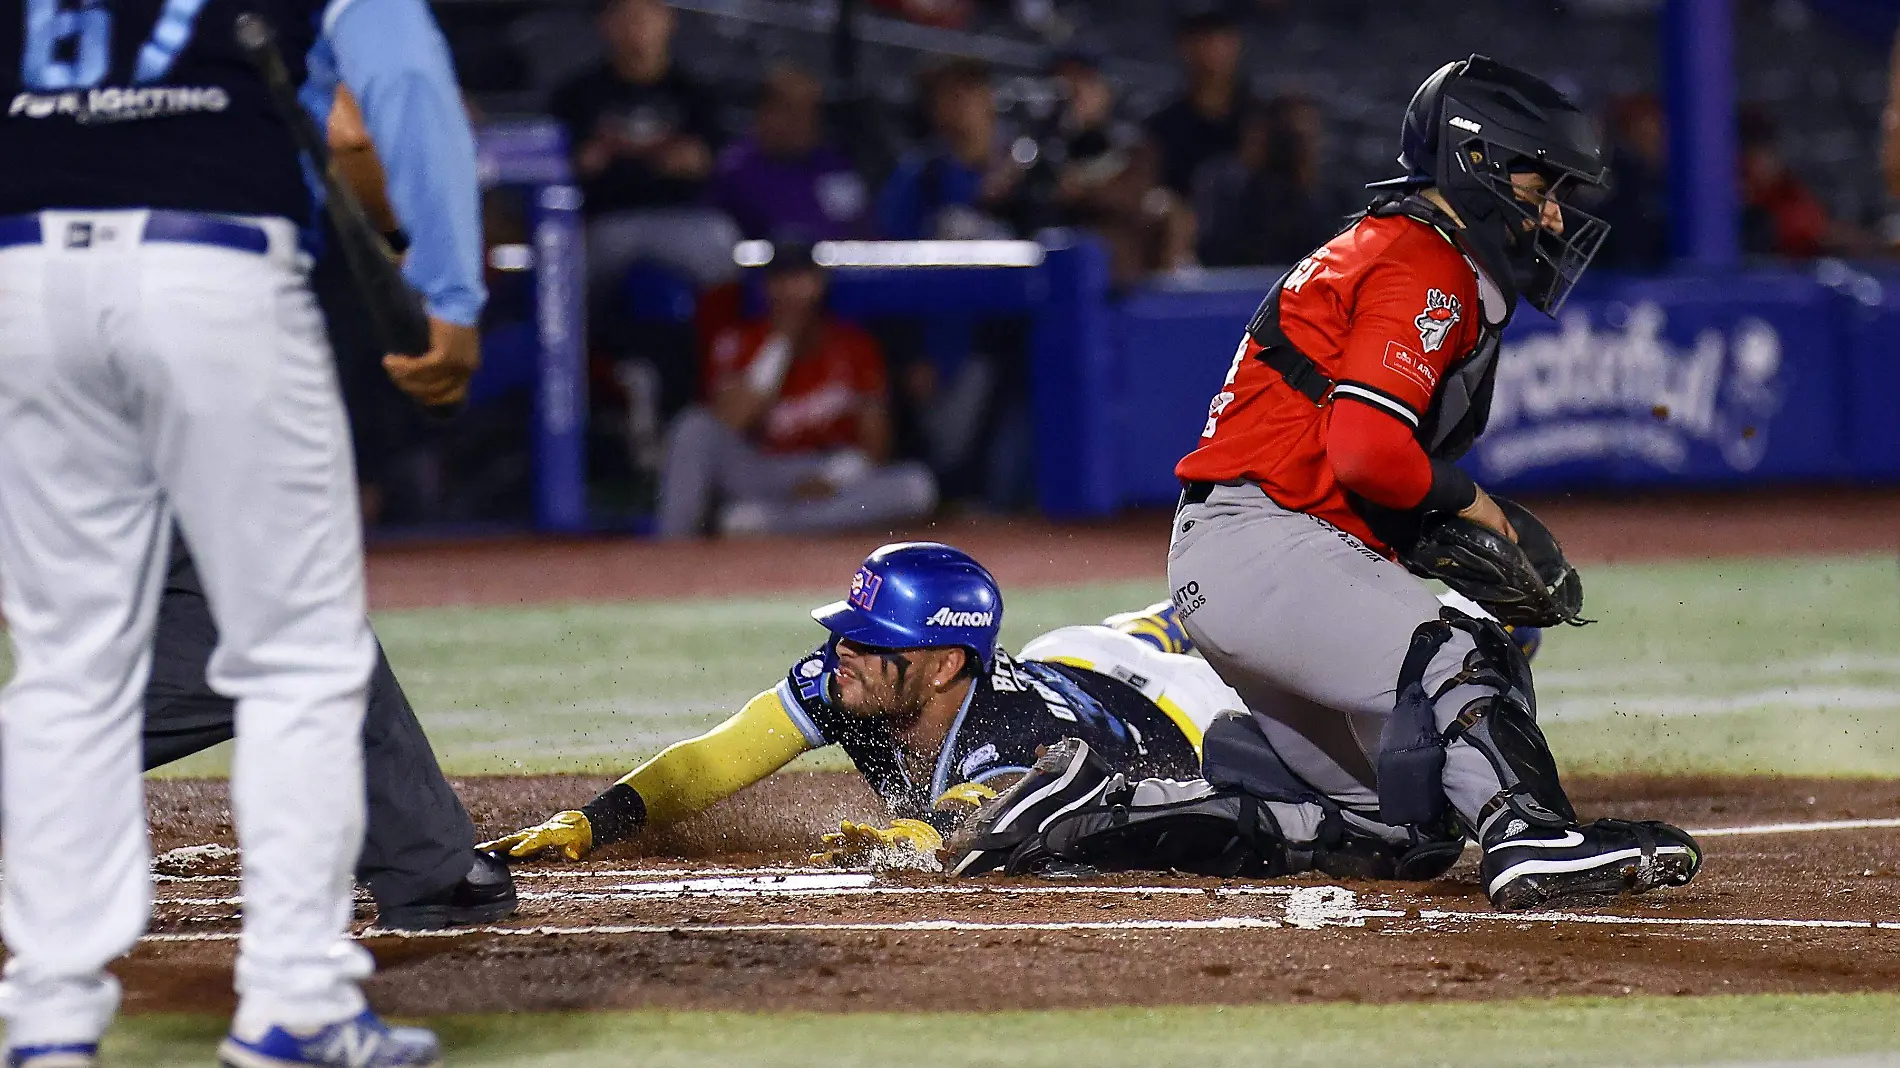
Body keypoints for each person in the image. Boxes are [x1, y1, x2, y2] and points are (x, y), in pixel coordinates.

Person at [947, 57, 1703, 914]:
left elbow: (1344, 459)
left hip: (1240, 557)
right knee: (1462, 652)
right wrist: (1476, 506)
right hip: (1270, 547)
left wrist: (1417, 535)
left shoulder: (1394, 245)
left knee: (1391, 829)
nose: (1555, 212)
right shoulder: (1427, 259)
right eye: (1541, 184)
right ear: (1480, 163)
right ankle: (1535, 837)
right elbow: (1367, 451)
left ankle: (1089, 812)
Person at [0, 0, 483, 1065]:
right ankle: (295, 1006)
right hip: (212, 262)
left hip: (25, 272)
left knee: (68, 664)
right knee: (298, 657)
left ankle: (47, 1019)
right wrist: (450, 288)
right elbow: (396, 86)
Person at [480, 543, 1222, 866]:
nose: (844, 651)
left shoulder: (1012, 731)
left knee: (1234, 632)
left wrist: (914, 836)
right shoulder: (860, 683)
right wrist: (597, 818)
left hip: (1187, 712)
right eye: (847, 632)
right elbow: (721, 755)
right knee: (1132, 631)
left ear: (943, 665)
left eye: (872, 641)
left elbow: (983, 807)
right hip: (1073, 656)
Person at [656, 240, 937, 538]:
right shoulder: (739, 343)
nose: (792, 290)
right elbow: (732, 421)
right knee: (693, 428)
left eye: (801, 278)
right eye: (782, 279)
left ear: (819, 283)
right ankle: (673, 549)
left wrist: (836, 477)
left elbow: (876, 443)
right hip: (760, 471)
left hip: (827, 471)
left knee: (916, 486)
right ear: (768, 287)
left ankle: (766, 524)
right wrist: (781, 344)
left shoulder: (854, 346)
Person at [548, 0, 738, 288]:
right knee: (569, 249)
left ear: (668, 20)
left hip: (683, 220)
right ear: (605, 25)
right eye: (624, 17)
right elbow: (569, 165)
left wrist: (622, 153)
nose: (636, 28)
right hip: (604, 222)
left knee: (721, 238)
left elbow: (704, 159)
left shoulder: (697, 93)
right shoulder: (576, 96)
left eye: (645, 17)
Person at [707, 65, 873, 242]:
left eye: (810, 113)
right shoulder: (736, 170)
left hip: (837, 258)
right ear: (765, 113)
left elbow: (864, 231)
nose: (803, 123)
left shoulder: (834, 166)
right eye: (792, 111)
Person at [876, 58, 1024, 241]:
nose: (961, 104)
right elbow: (893, 244)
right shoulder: (919, 176)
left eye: (969, 89)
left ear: (988, 96)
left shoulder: (1024, 162)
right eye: (949, 95)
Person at [1194, 94, 1348, 268]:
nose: (1303, 147)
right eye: (1294, 138)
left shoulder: (1335, 194)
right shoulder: (1250, 194)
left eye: (1309, 137)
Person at [1144, 6, 1249, 200]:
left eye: (1219, 38)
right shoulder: (1162, 127)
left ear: (1236, 43)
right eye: (1199, 38)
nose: (1210, 49)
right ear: (1181, 46)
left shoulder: (1260, 119)